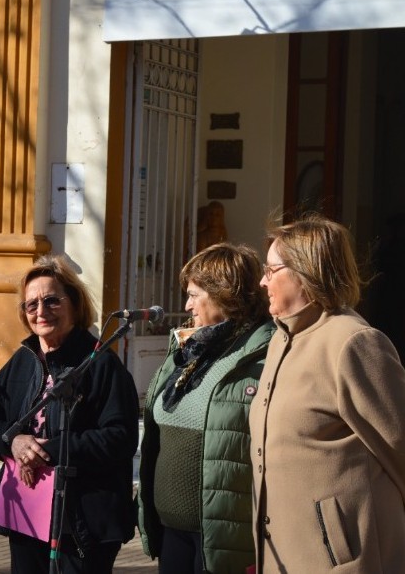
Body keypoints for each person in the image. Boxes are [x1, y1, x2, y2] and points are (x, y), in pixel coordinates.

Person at [249, 214, 405, 573]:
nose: (262, 281)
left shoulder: (352, 343)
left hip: (341, 561)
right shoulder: (278, 340)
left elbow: (399, 447)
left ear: (306, 271)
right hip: (282, 555)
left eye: (270, 270)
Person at [0, 254, 139, 573]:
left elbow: (120, 439)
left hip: (81, 518)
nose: (41, 312)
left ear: (74, 303)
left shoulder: (100, 364)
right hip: (27, 511)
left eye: (51, 301)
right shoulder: (22, 361)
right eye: (31, 305)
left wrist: (47, 451)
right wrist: (13, 443)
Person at [137, 242, 274, 573]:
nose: (186, 305)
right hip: (172, 533)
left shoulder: (262, 355)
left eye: (195, 294)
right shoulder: (188, 349)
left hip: (222, 538)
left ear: (225, 293)